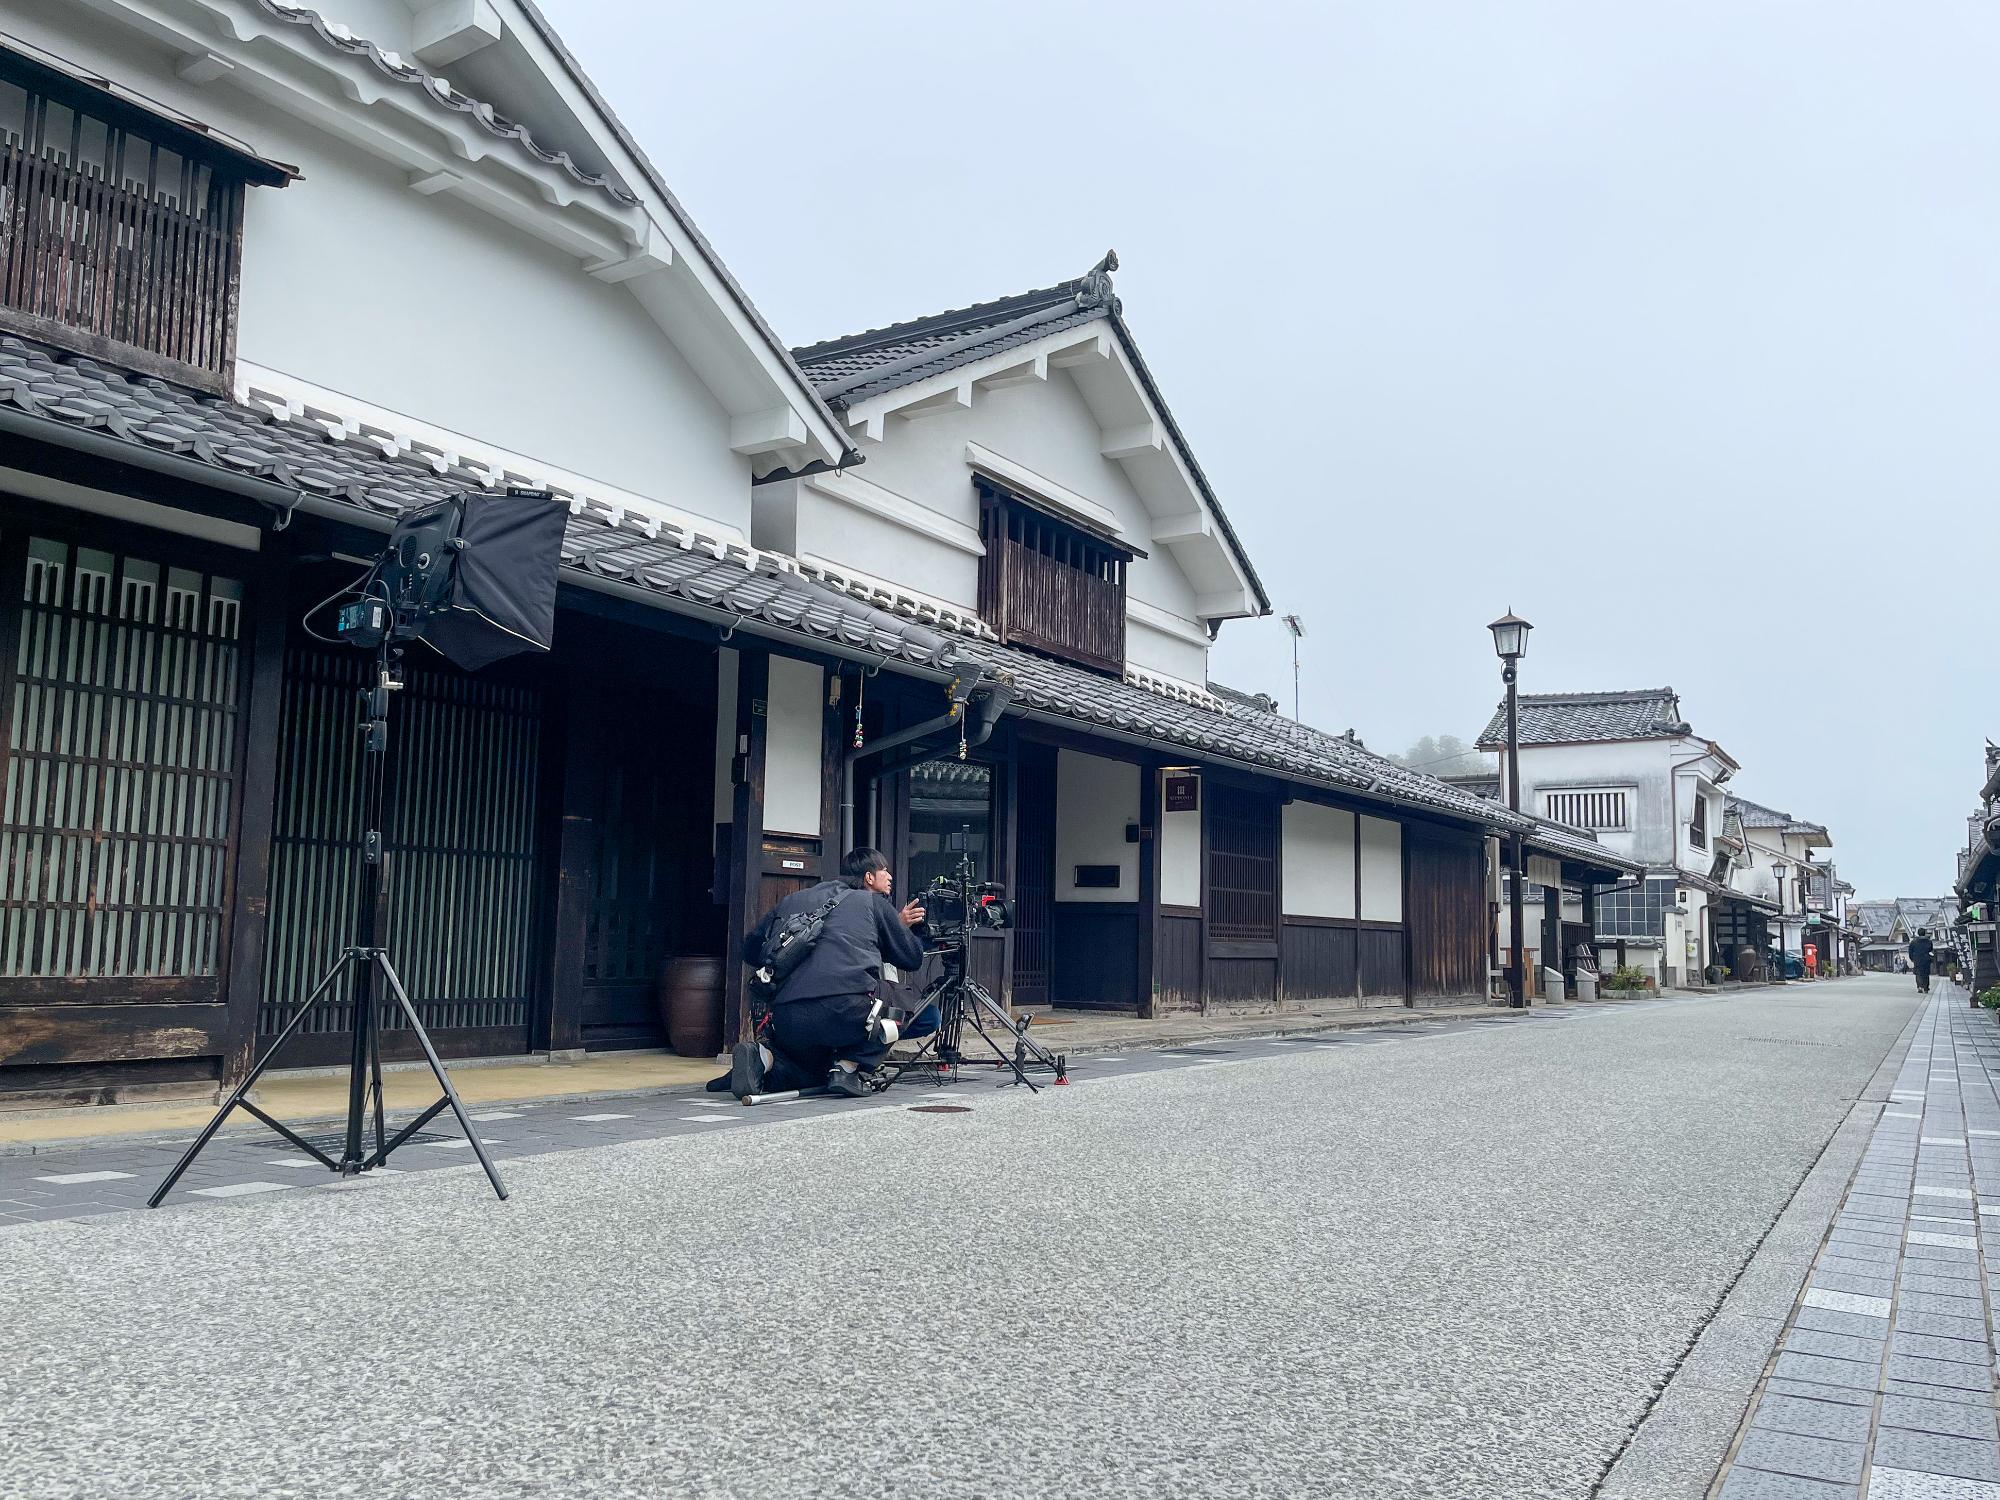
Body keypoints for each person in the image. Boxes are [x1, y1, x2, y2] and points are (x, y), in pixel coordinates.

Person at [730, 847, 926, 1099]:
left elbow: (750, 950)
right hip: (847, 1013)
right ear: (868, 878)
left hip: (787, 1019)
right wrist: (900, 929)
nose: (889, 876)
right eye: (884, 870)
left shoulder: (792, 900)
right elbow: (911, 958)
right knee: (902, 996)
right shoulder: (873, 903)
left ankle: (764, 1058)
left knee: (811, 1071)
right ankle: (848, 1067)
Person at [1908, 930, 1935, 994]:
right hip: (1926, 959)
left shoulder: (1914, 942)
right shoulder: (1929, 941)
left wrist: (1912, 958)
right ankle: (1926, 988)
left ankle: (1920, 986)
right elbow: (1931, 950)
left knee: (1918, 973)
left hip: (1917, 959)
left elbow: (1910, 951)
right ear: (1924, 933)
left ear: (1918, 933)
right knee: (1926, 974)